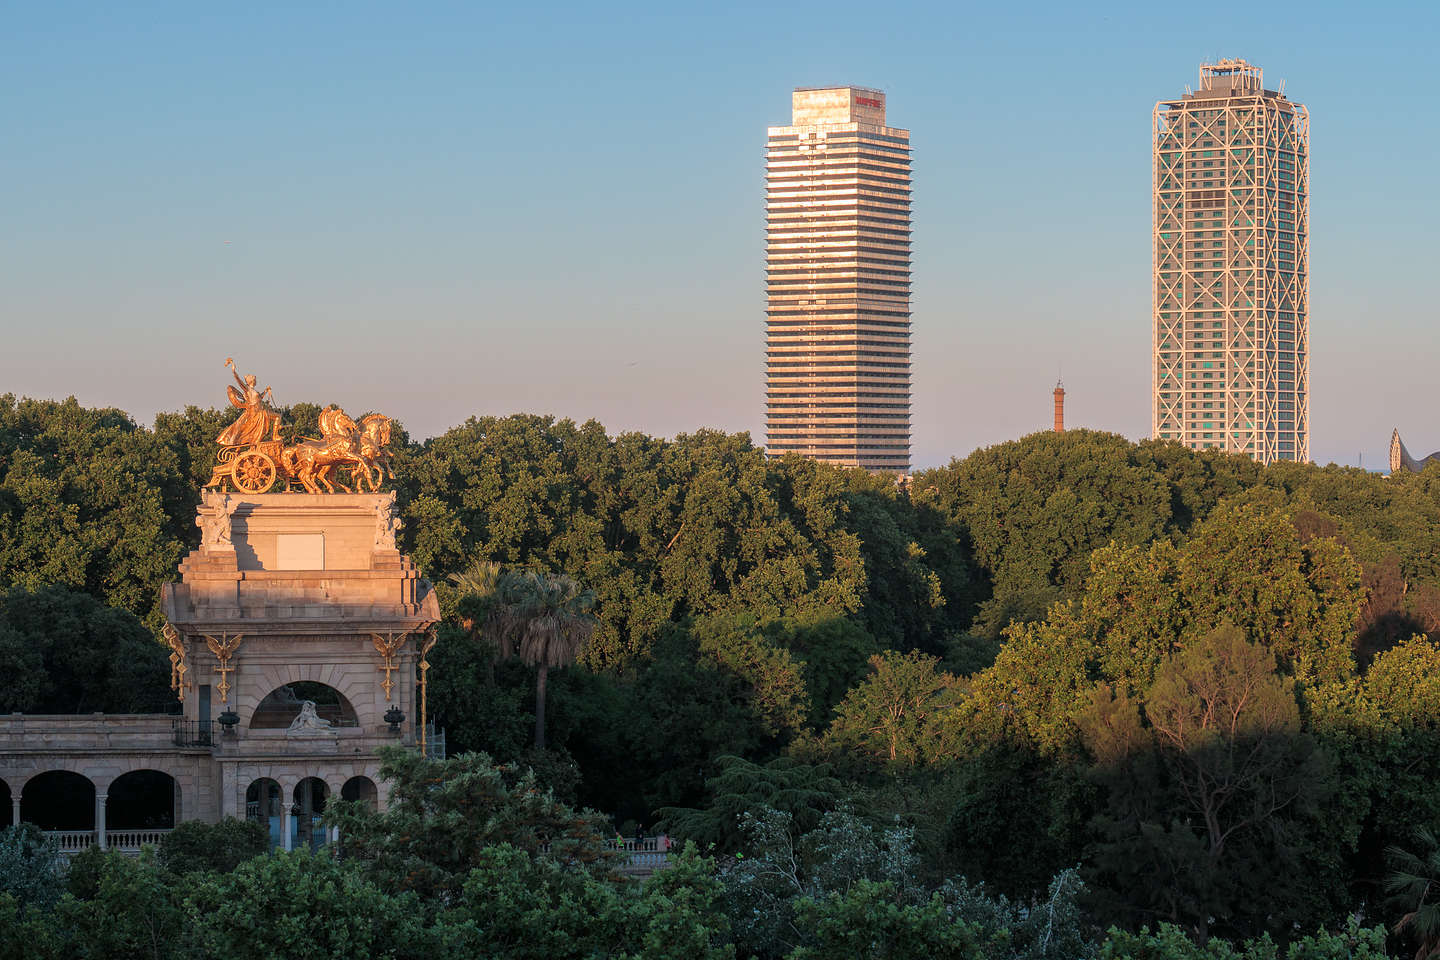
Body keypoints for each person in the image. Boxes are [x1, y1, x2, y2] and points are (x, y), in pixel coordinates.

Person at [217, 358, 283, 447]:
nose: (256, 380)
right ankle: (275, 435)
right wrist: (233, 369)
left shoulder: (253, 390)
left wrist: (266, 390)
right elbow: (238, 381)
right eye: (255, 379)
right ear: (251, 381)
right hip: (256, 413)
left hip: (260, 411)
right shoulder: (247, 389)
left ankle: (274, 435)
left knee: (278, 417)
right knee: (277, 417)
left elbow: (259, 398)